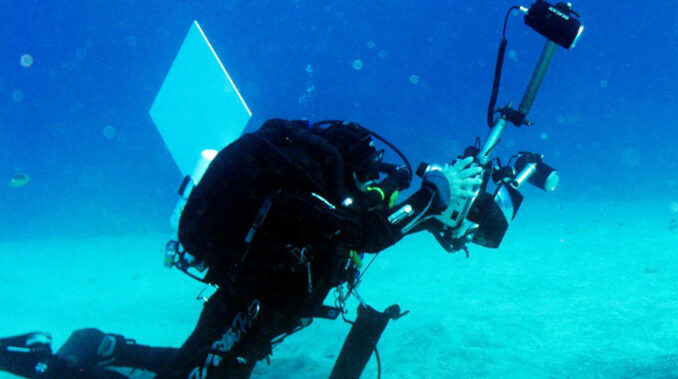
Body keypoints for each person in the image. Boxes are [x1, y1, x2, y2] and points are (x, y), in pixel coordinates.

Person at [0, 119, 483, 379]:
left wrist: (432, 205)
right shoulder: (301, 197)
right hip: (246, 297)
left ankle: (104, 347)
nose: (362, 193)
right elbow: (367, 233)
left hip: (250, 297)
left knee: (207, 362)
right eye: (360, 181)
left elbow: (370, 220)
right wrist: (430, 195)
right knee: (203, 371)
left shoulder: (311, 191)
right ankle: (46, 363)